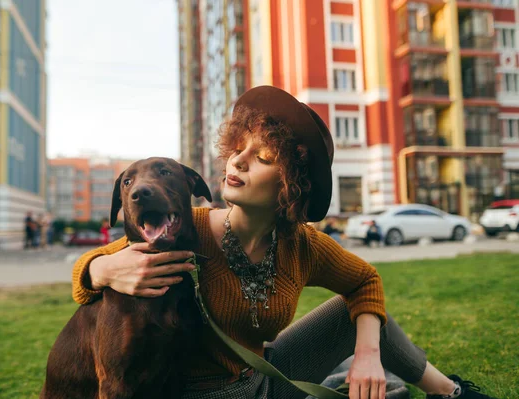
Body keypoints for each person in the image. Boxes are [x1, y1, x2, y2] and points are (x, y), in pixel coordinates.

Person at [69, 86, 497, 399]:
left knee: (353, 320)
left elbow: (365, 280)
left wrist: (367, 352)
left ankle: (450, 393)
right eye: (239, 148)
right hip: (202, 393)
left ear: (291, 185)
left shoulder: (302, 246)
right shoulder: (188, 228)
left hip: (266, 377)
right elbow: (86, 270)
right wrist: (101, 268)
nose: (237, 161)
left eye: (262, 157)